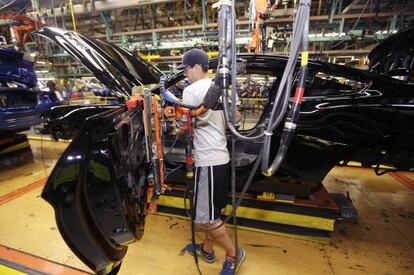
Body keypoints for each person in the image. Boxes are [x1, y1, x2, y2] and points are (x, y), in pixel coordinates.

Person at [177, 48, 245, 275]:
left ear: (196, 67)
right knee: (213, 210)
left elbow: (185, 126)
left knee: (204, 216)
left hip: (206, 159)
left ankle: (234, 253)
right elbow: (236, 118)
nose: (185, 74)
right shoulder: (225, 87)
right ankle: (207, 249)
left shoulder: (191, 91)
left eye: (186, 69)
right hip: (222, 158)